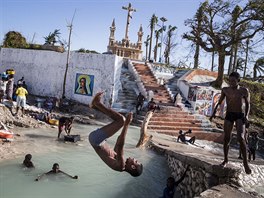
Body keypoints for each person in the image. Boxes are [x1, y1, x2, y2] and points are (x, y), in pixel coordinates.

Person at [88, 92, 143, 177]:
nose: (134, 159)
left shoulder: (121, 166)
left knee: (122, 120)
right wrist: (124, 128)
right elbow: (118, 142)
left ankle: (97, 104)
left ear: (132, 167)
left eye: (135, 161)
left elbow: (120, 145)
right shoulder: (120, 161)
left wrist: (127, 125)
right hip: (98, 140)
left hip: (97, 140)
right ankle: (96, 106)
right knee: (120, 120)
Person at [210, 72, 251, 174]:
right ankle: (225, 159)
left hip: (240, 115)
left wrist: (246, 116)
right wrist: (214, 112)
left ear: (238, 81)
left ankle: (245, 163)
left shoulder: (244, 91)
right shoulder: (225, 90)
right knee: (226, 138)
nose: (231, 83)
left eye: (233, 81)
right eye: (230, 81)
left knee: (241, 137)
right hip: (229, 115)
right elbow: (219, 102)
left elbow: (248, 104)